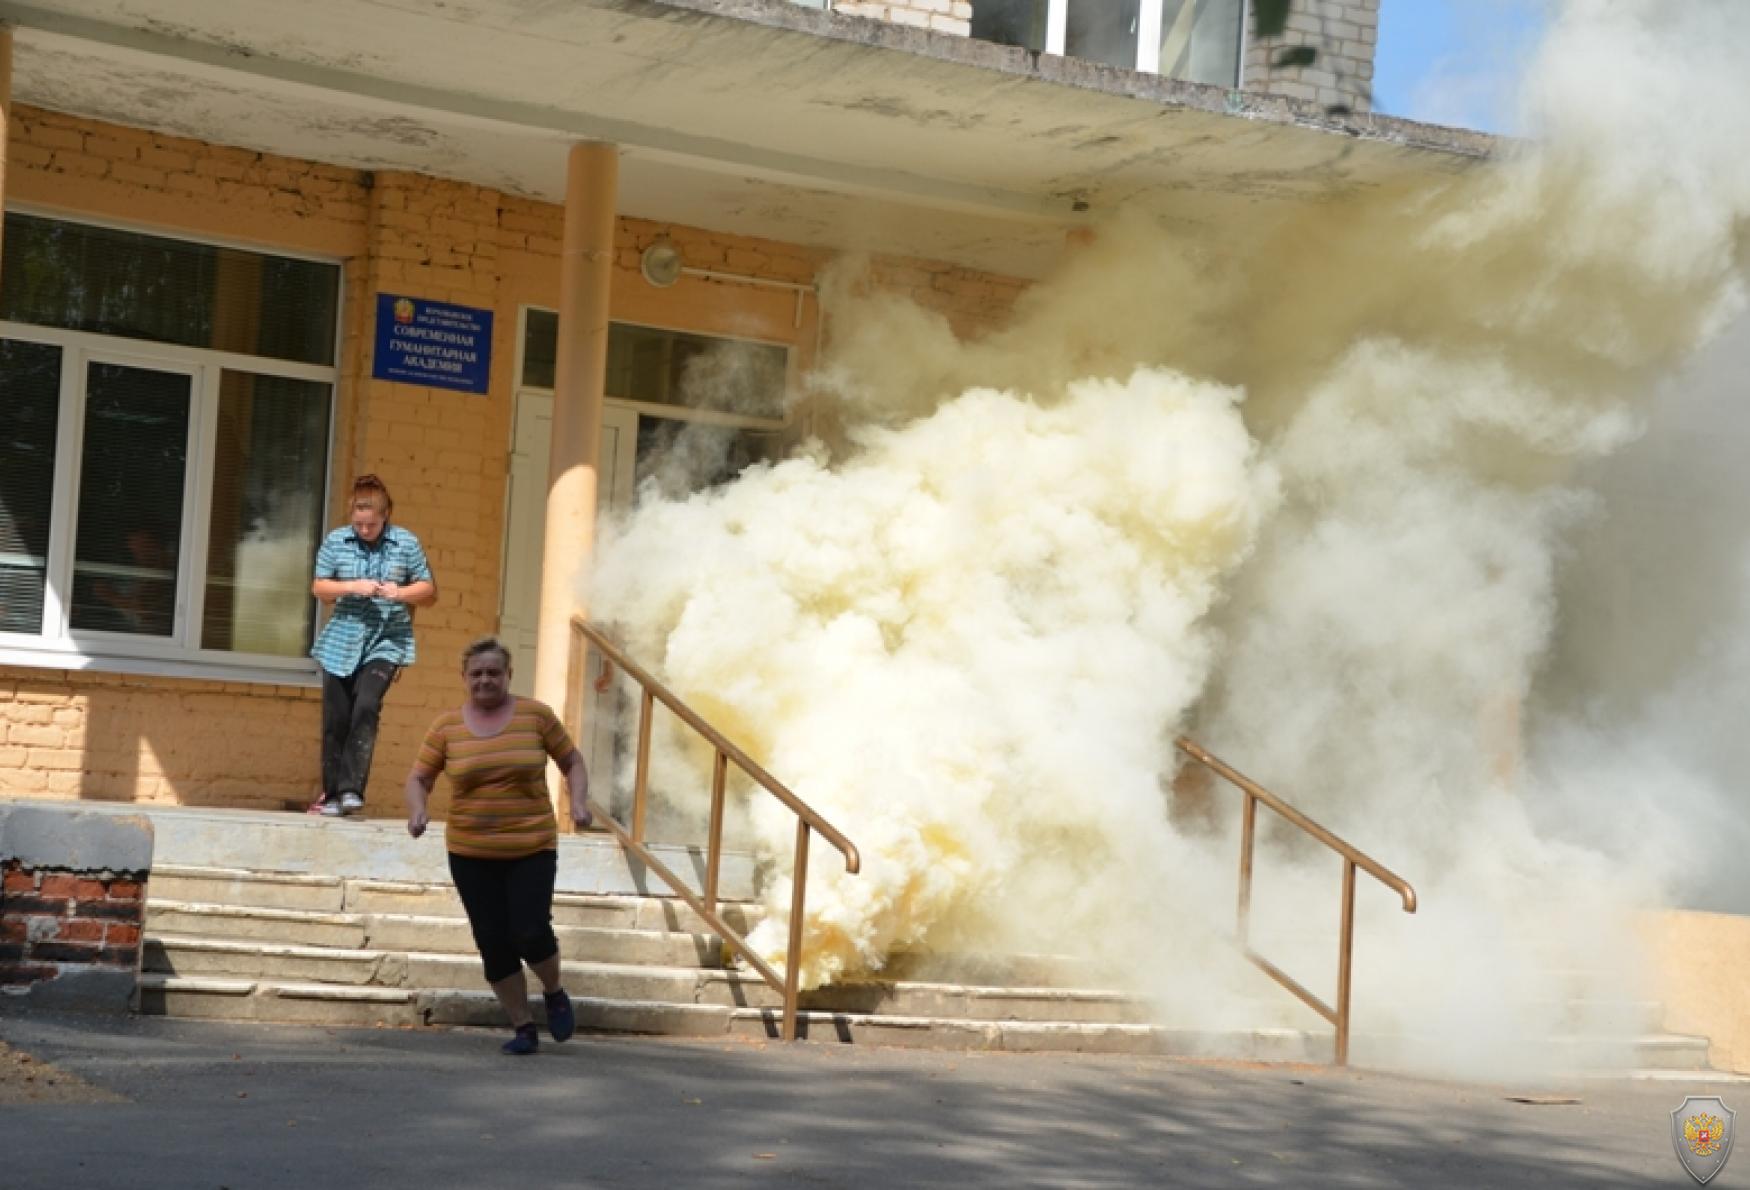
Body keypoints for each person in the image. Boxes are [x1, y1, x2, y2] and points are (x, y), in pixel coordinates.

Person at [404, 636, 593, 1055]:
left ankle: (555, 991)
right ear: (465, 678)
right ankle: (523, 1026)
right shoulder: (446, 727)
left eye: (494, 672)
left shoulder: (536, 716)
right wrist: (418, 810)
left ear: (509, 674)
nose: (485, 680)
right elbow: (419, 777)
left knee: (529, 929)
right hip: (470, 851)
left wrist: (578, 802)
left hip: (531, 845)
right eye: (477, 673)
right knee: (491, 939)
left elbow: (572, 761)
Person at [309, 474, 437, 817]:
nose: (365, 531)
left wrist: (400, 592)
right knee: (336, 718)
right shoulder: (337, 541)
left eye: (372, 524)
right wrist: (352, 586)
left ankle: (352, 789)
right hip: (341, 641)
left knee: (366, 706)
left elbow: (428, 590)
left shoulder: (405, 543)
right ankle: (332, 794)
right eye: (359, 524)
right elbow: (320, 588)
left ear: (386, 516)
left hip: (386, 639)